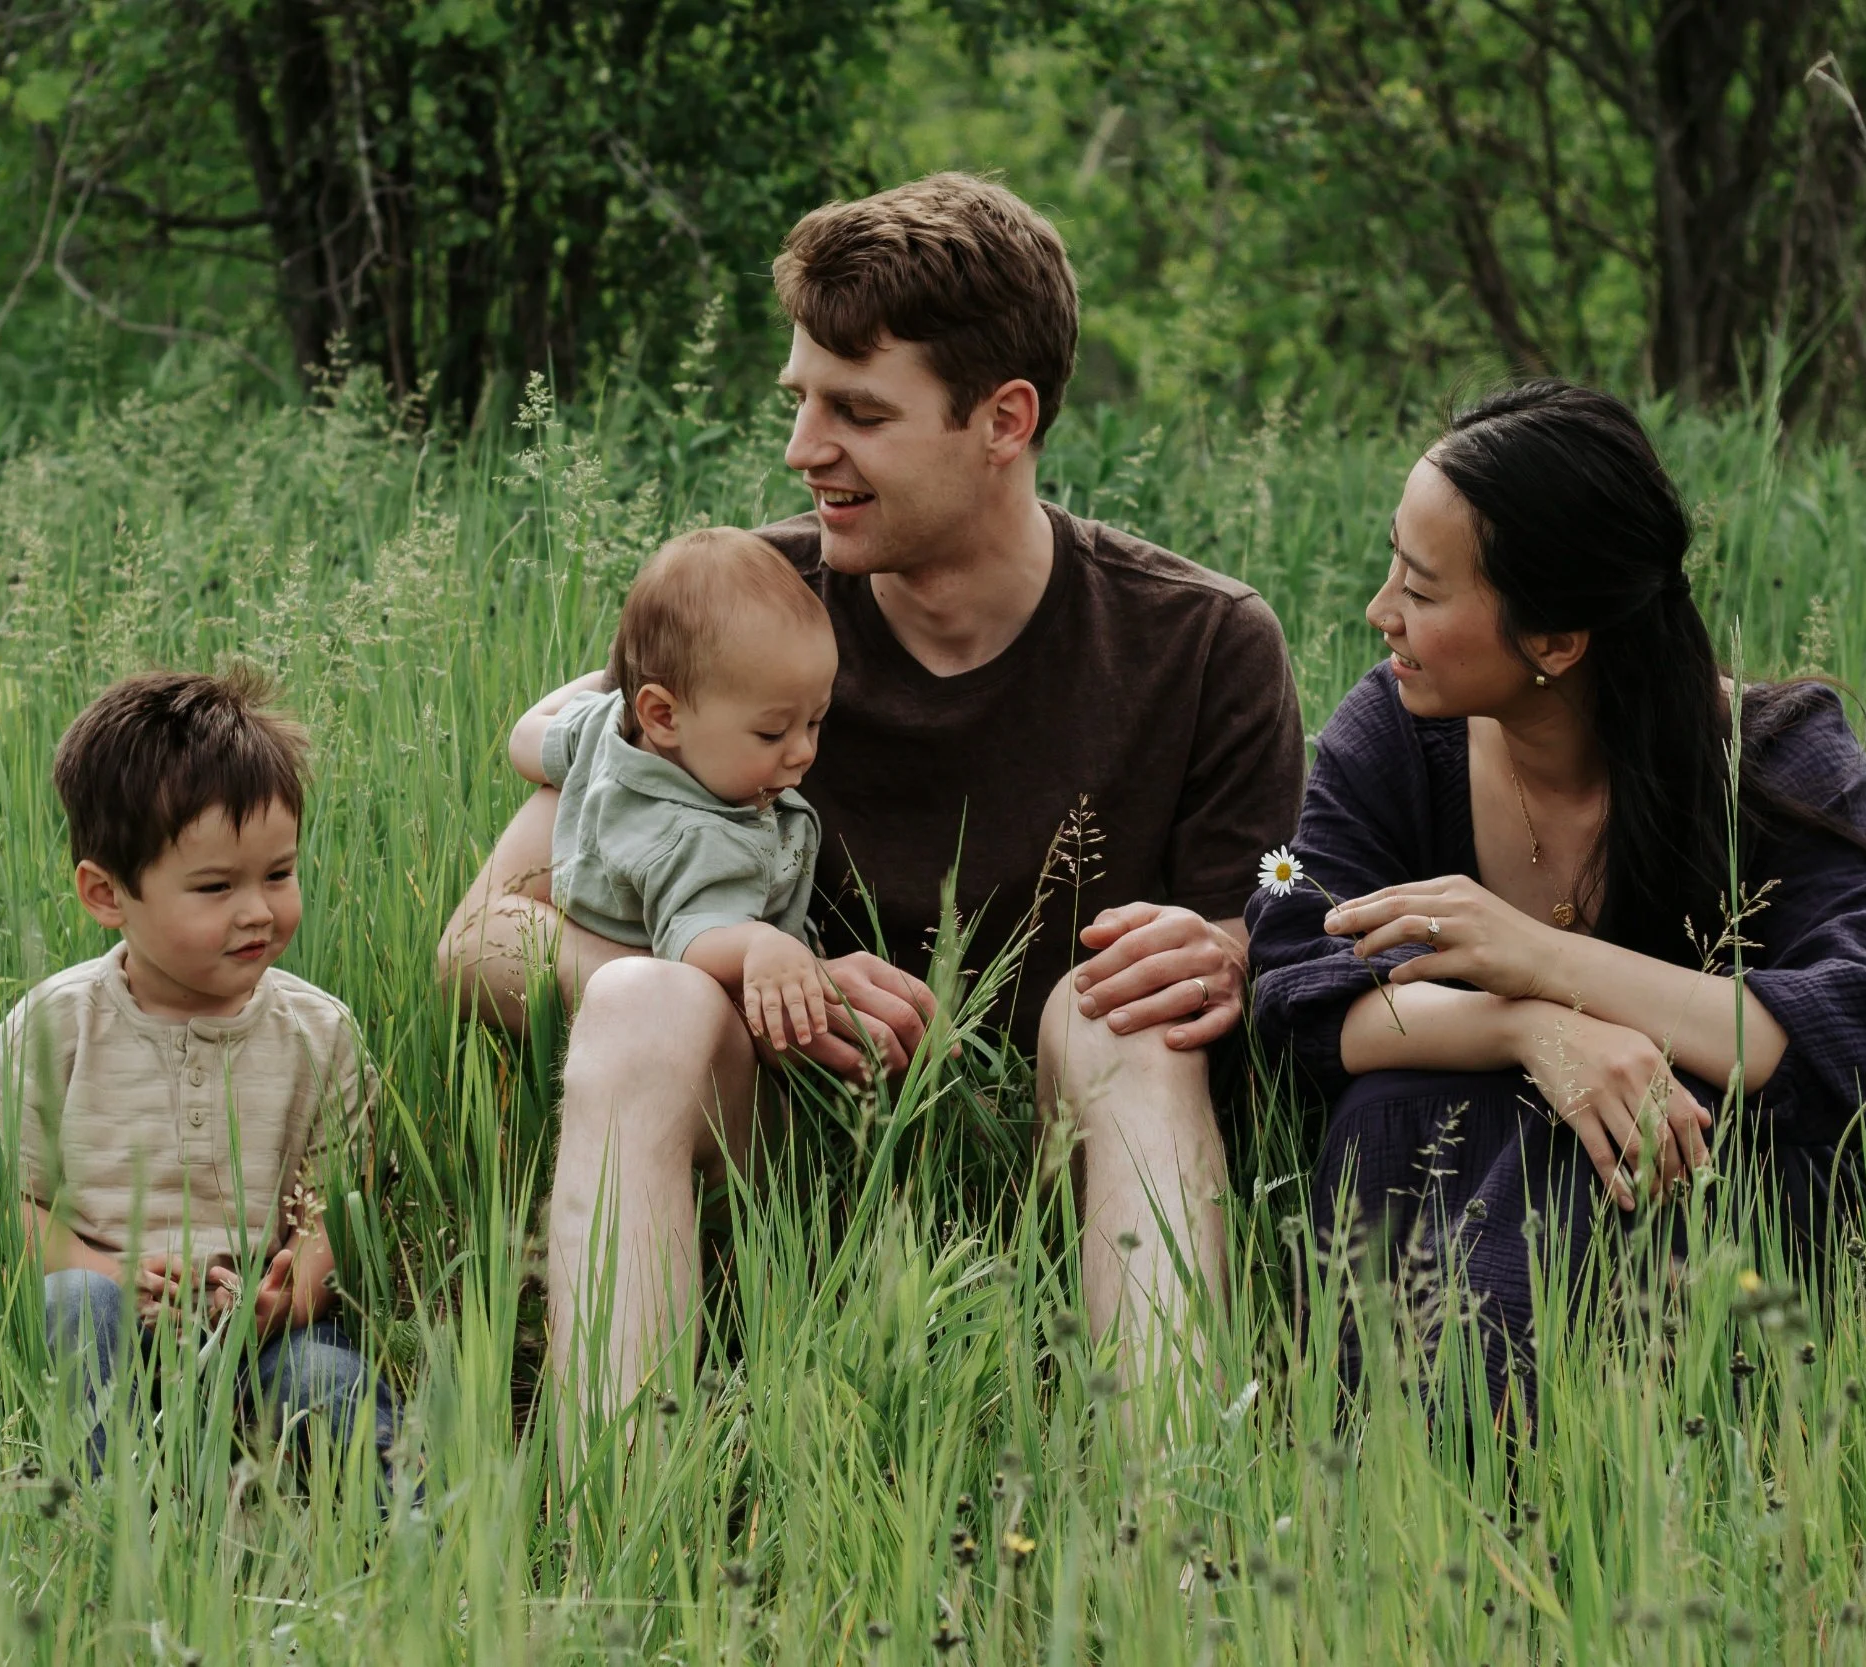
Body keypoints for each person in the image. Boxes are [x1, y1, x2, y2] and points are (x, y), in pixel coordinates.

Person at [437, 173, 1305, 1414]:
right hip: (788, 1148)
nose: (802, 451)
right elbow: (481, 936)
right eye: (800, 402)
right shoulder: (736, 615)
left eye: (856, 410)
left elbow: (1277, 898)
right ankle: (614, 1509)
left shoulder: (1204, 641)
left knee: (1134, 1017)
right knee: (637, 1002)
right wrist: (747, 975)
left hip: (1064, 1157)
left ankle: (1171, 1516)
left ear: (1003, 419)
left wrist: (1228, 948)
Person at [1245, 380, 1866, 1405]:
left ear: (1556, 641)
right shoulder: (1395, 732)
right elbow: (1300, 975)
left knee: (1629, 1127)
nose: (1379, 612)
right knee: (1395, 1106)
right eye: (1393, 566)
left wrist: (1545, 960)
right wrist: (1531, 1026)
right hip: (1462, 1158)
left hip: (1707, 1193)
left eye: (1423, 590)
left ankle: (1578, 1440)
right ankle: (1388, 1446)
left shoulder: (1770, 754)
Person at [0, 668, 395, 1473]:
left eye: (279, 874)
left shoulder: (318, 1033)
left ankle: (410, 1537)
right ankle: (119, 1514)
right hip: (106, 1313)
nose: (258, 910)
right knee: (74, 1309)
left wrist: (290, 1297)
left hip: (259, 1332)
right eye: (216, 886)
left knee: (329, 1378)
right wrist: (105, 1272)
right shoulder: (59, 1026)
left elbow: (335, 1207)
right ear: (107, 892)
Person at [509, 528, 838, 1054]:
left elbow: (524, 739)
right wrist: (760, 943)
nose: (802, 751)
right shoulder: (702, 837)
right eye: (773, 732)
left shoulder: (608, 728)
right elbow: (692, 939)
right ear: (663, 715)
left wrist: (604, 681)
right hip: (695, 1029)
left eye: (816, 721)